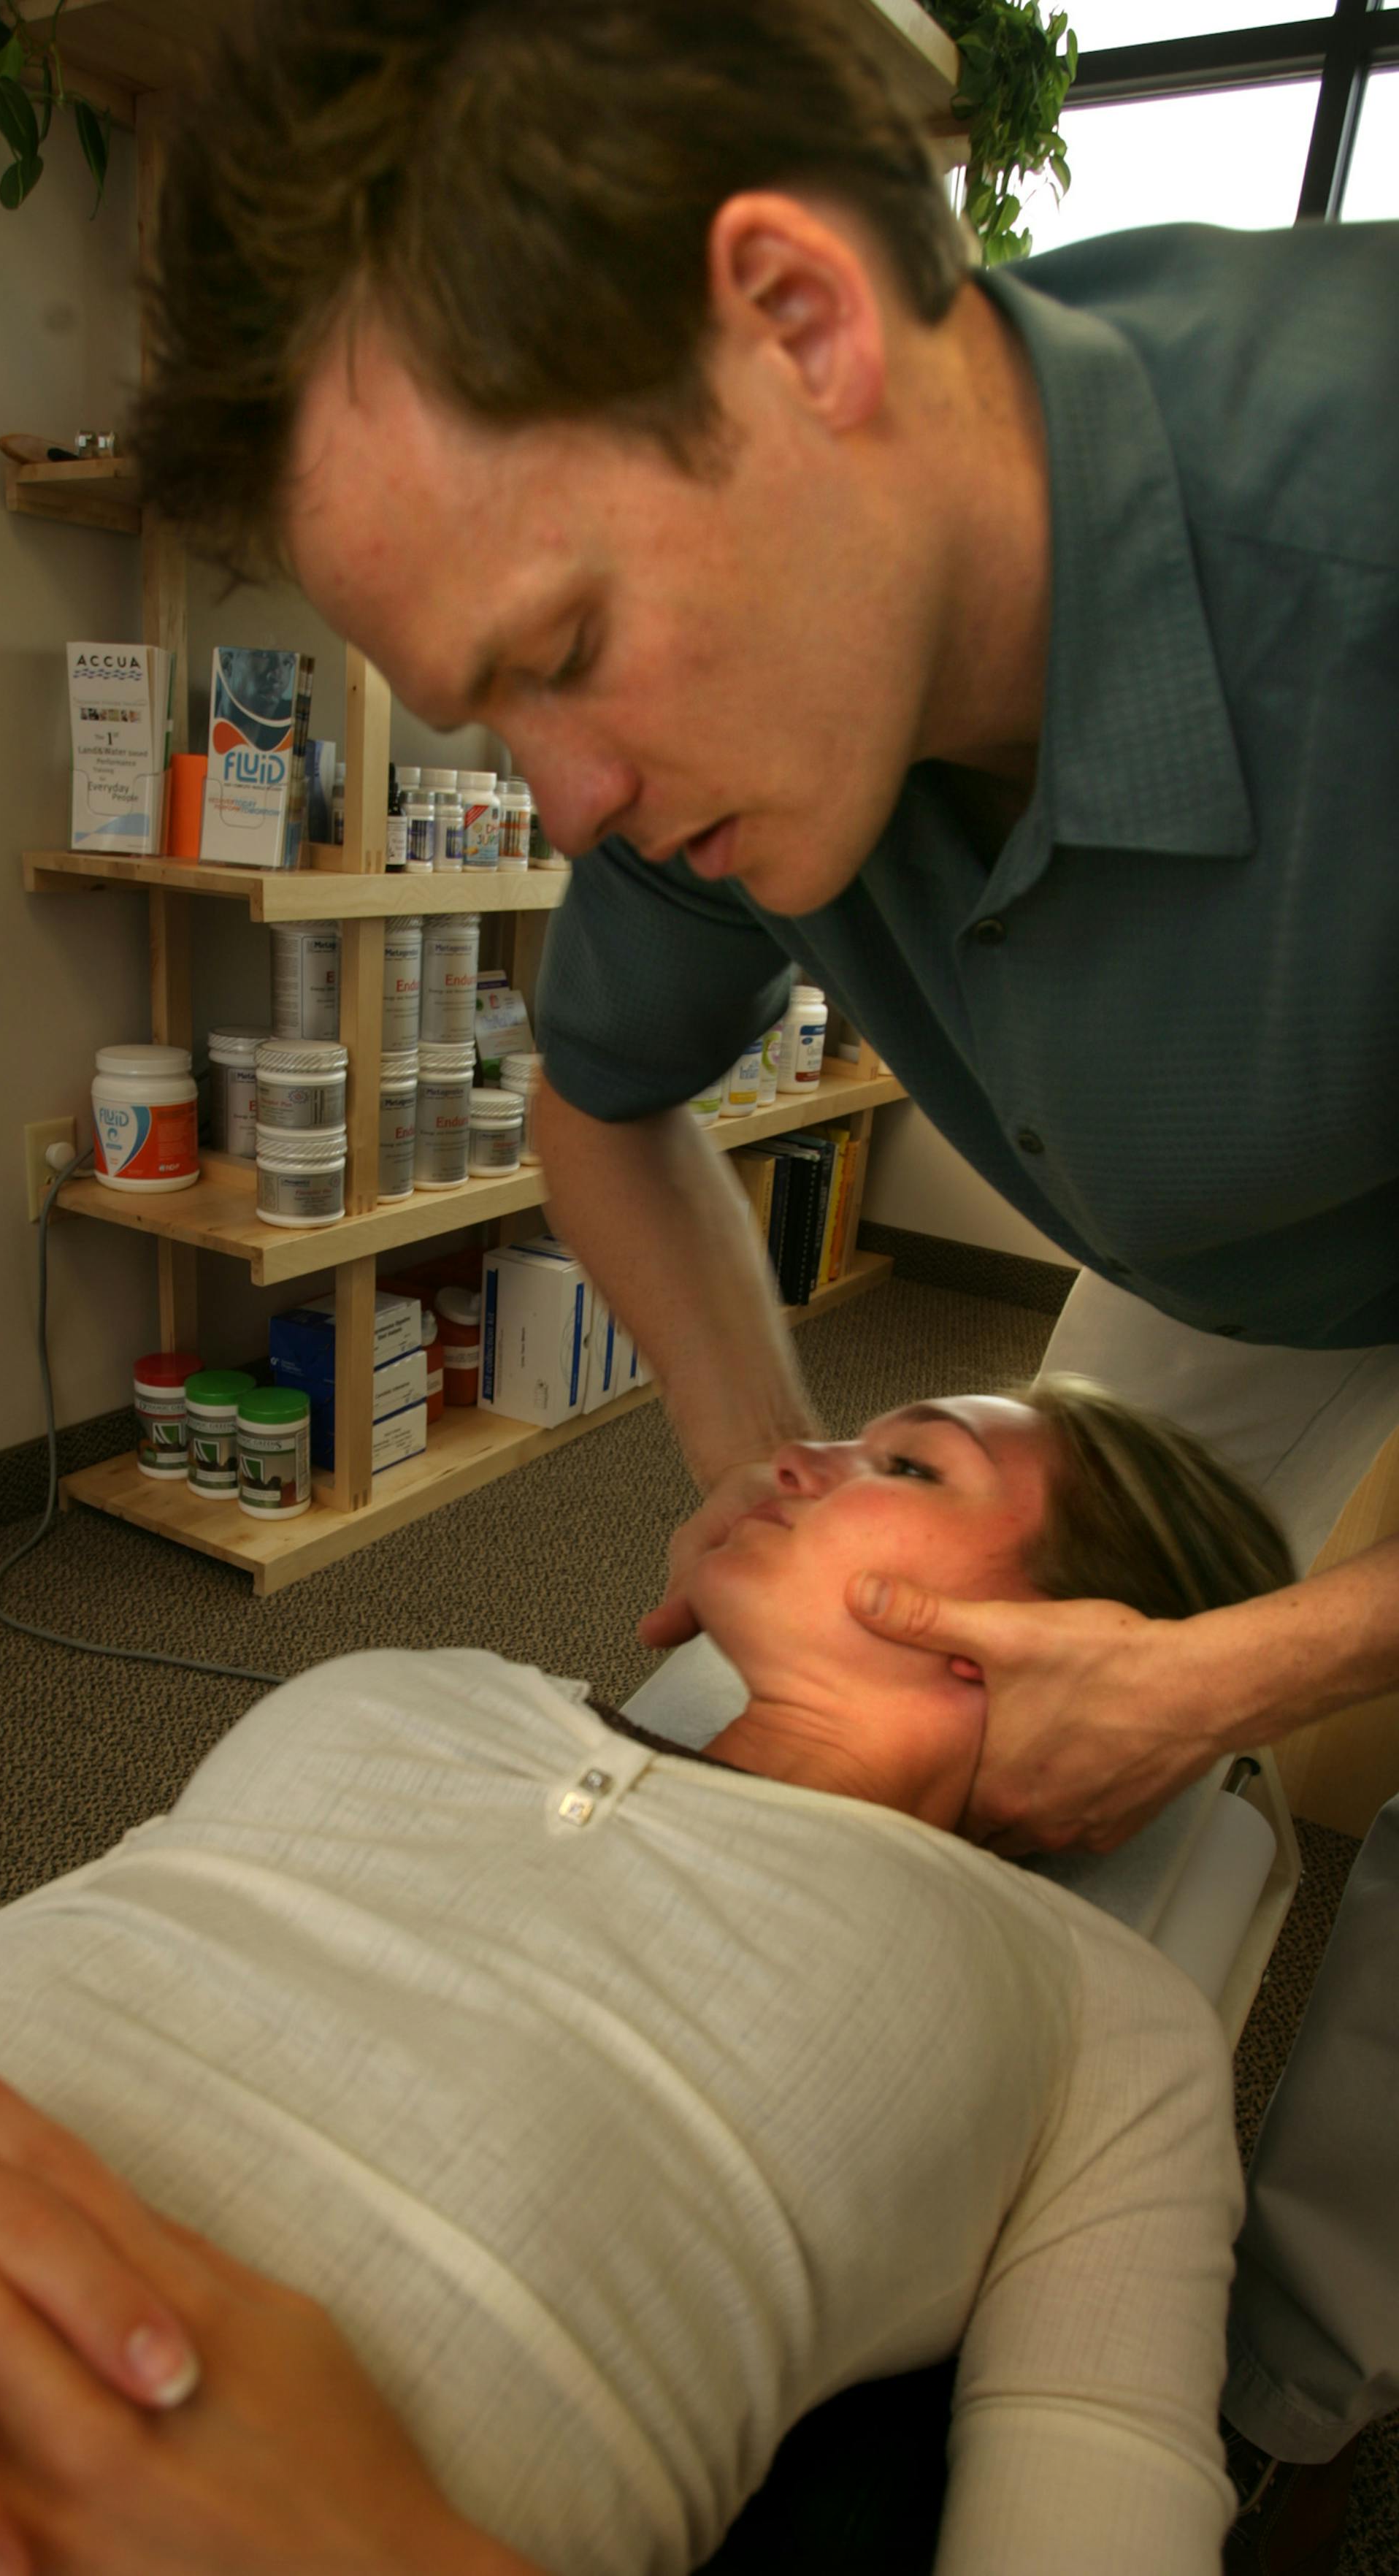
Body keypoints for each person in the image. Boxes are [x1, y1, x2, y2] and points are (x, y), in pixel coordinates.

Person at [125, 4, 1399, 2548]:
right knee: (1119, 1509)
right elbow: (604, 1101)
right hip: (1228, 1188)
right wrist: (762, 1465)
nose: (569, 801)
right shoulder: (736, 716)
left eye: (561, 650)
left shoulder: (1352, 554)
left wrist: (1242, 1672)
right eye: (487, 713)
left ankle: (1301, 2365)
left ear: (801, 325)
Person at [0, 1384, 1290, 2576]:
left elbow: (1101, 2491)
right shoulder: (414, 1682)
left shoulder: (1096, 2007)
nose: (793, 1455)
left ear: (1078, 1655)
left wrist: (385, 2551)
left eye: (909, 1463)